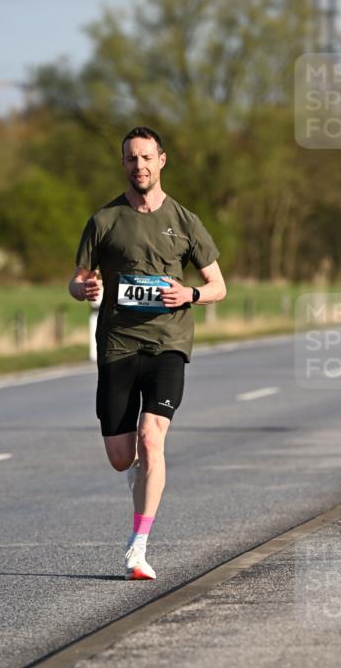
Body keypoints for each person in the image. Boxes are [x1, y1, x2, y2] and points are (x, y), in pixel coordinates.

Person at [69, 126, 226, 580]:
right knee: (122, 457)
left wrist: (190, 296)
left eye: (146, 157)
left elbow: (219, 285)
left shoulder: (185, 220)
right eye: (131, 159)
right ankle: (137, 478)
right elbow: (76, 279)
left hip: (167, 344)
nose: (139, 165)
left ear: (162, 160)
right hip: (117, 345)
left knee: (151, 439)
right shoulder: (104, 221)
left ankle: (138, 547)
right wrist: (85, 288)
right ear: (124, 164)